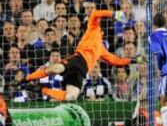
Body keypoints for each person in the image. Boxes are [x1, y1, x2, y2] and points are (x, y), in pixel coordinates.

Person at [13, 10, 143, 101]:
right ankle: (26, 79)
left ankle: (39, 89)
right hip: (77, 59)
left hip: (82, 71)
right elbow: (95, 14)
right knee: (54, 69)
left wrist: (134, 60)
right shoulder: (93, 28)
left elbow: (116, 61)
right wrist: (114, 13)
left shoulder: (102, 50)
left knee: (71, 97)